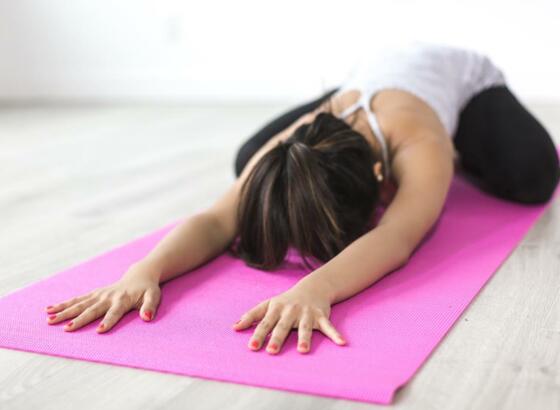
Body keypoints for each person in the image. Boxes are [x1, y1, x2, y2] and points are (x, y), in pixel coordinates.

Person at [44, 41, 560, 355]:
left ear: (381, 180)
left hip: (461, 81)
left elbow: (398, 237)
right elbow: (217, 220)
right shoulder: (303, 135)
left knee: (534, 178)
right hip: (365, 82)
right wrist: (144, 271)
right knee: (251, 163)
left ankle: (467, 151)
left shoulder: (421, 144)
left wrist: (316, 288)